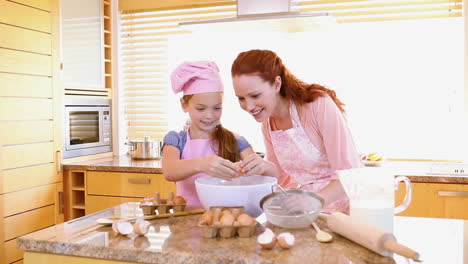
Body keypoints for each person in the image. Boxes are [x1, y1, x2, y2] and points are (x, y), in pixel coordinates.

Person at [231, 49, 363, 213]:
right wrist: (260, 169)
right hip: (305, 213)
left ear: (277, 84)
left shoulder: (318, 105)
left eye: (255, 95)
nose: (248, 106)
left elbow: (350, 176)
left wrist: (313, 201)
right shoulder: (268, 124)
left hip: (342, 213)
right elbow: (282, 180)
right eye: (241, 98)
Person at [162, 61, 278, 207]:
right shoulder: (176, 139)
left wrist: (265, 166)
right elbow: (169, 171)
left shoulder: (236, 140)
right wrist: (202, 164)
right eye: (201, 109)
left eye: (217, 108)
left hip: (225, 220)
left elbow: (265, 177)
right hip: (187, 220)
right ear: (184, 105)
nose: (209, 115)